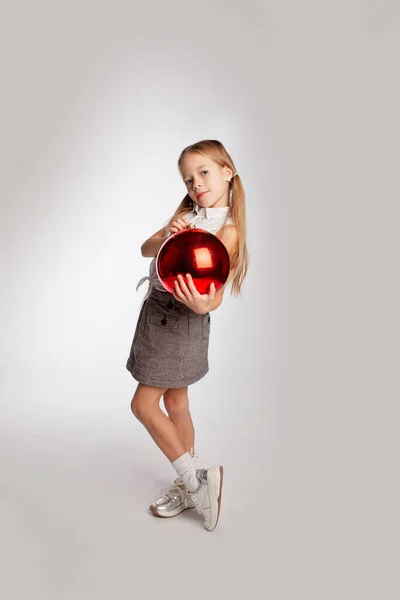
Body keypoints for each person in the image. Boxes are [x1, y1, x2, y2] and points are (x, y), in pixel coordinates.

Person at [126, 139, 249, 531]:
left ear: (228, 172)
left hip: (180, 324)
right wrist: (168, 233)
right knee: (176, 403)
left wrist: (201, 305)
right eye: (189, 178)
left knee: (143, 406)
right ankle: (188, 482)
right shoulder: (188, 216)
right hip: (156, 316)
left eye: (205, 172)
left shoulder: (225, 232)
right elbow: (146, 249)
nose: (196, 183)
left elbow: (211, 300)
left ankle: (197, 483)